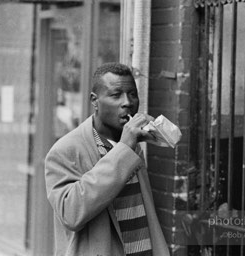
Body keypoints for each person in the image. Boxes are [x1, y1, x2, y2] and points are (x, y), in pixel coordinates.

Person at [45, 62, 170, 256]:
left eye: (132, 94)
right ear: (95, 101)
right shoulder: (65, 150)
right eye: (115, 95)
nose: (127, 102)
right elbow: (70, 214)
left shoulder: (131, 144)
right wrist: (125, 148)